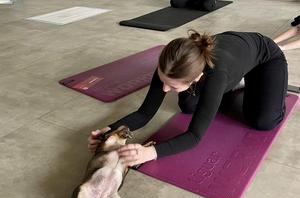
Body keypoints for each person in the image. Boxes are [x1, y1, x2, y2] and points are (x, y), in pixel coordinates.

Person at [88, 30, 287, 167]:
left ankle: (248, 83)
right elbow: (144, 113)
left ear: (197, 77)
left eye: (173, 86)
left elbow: (194, 137)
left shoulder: (216, 76)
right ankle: (233, 84)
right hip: (232, 52)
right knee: (188, 106)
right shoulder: (169, 65)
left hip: (265, 57)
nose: (164, 89)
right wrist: (110, 130)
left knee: (263, 120)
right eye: (163, 80)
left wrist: (149, 153)